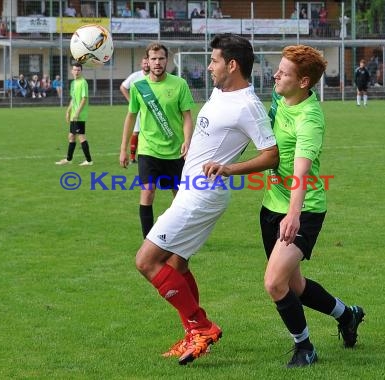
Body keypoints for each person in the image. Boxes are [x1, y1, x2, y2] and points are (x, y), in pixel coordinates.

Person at [133, 34, 278, 365]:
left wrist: (229, 168)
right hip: (190, 188)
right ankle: (193, 334)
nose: (208, 67)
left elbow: (271, 156)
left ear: (232, 65)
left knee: (146, 261)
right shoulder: (221, 90)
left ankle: (202, 327)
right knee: (176, 264)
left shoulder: (248, 106)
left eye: (213, 61)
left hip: (203, 195)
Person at [260, 45, 365, 368]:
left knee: (274, 283)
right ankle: (348, 314)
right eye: (278, 69)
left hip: (303, 210)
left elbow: (301, 173)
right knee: (295, 285)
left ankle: (305, 347)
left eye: (284, 72)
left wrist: (293, 215)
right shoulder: (280, 98)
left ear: (304, 82)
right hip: (270, 206)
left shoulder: (310, 119)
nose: (276, 75)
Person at [119, 43, 194, 239]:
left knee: (180, 199)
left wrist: (187, 140)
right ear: (147, 61)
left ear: (166, 60)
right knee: (147, 193)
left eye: (161, 58)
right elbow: (131, 116)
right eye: (153, 59)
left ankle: (180, 238)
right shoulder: (139, 87)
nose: (157, 62)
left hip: (175, 151)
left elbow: (187, 116)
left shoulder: (179, 84)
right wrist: (123, 149)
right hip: (148, 150)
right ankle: (148, 240)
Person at [55, 63, 93, 166]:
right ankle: (69, 159)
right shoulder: (73, 83)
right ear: (72, 71)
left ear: (81, 71)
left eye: (78, 70)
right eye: (75, 70)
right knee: (71, 136)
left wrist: (77, 113)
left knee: (81, 137)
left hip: (79, 115)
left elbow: (84, 99)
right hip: (74, 115)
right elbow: (73, 99)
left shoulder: (83, 82)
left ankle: (89, 161)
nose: (76, 72)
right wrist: (68, 111)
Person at [120, 57, 150, 163]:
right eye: (144, 63)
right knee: (136, 131)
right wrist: (130, 100)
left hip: (151, 109)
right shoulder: (135, 76)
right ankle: (132, 157)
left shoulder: (154, 77)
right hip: (139, 109)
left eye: (148, 63)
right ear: (141, 64)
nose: (146, 65)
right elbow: (123, 87)